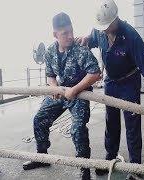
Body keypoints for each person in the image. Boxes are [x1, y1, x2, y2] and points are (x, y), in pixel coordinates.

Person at [76, 0, 144, 177]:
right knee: (111, 122)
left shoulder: (131, 36)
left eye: (105, 26)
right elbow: (94, 39)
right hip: (111, 83)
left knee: (132, 123)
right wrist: (87, 39)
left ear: (114, 20)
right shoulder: (99, 30)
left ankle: (135, 167)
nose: (102, 29)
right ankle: (110, 157)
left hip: (128, 83)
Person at [22, 13, 101, 180]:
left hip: (80, 93)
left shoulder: (80, 50)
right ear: (55, 35)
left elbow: (95, 73)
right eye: (65, 33)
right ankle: (41, 157)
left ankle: (84, 166)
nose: (70, 36)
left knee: (78, 129)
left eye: (71, 31)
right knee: (39, 119)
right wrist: (54, 88)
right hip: (61, 92)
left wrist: (75, 90)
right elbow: (50, 75)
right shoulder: (50, 51)